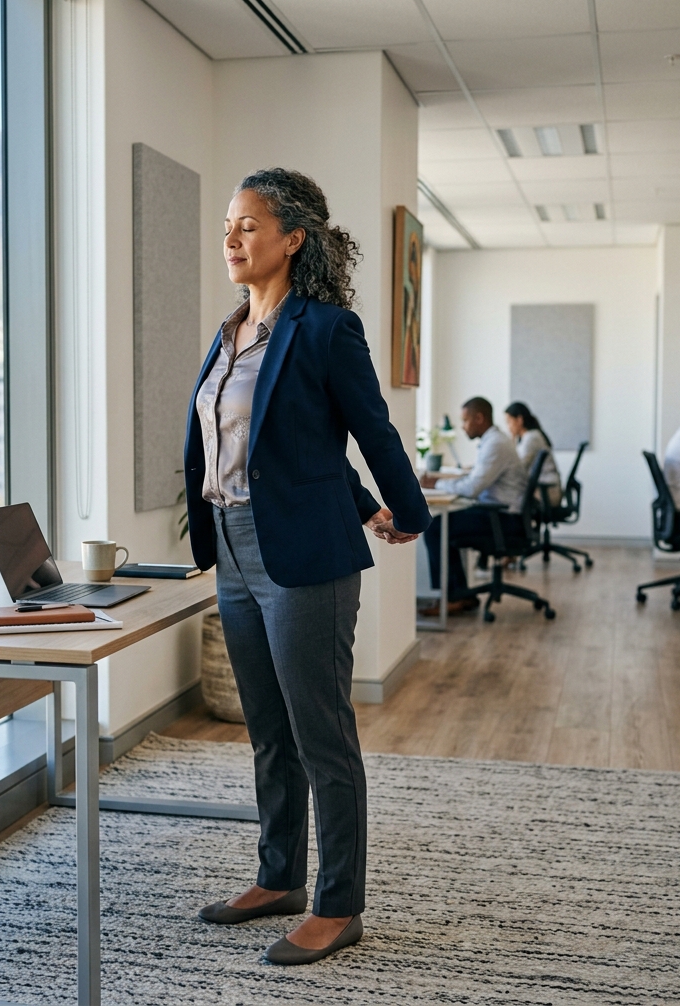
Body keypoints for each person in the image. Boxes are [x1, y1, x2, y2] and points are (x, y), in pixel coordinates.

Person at [184, 168, 430, 965]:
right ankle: (279, 877)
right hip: (230, 545)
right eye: (228, 225)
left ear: (292, 239)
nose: (231, 238)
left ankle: (338, 904)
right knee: (267, 728)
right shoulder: (230, 332)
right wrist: (360, 502)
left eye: (248, 225)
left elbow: (370, 430)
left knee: (321, 733)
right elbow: (293, 447)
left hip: (301, 556)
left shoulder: (326, 329)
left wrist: (407, 511)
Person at [419, 397, 528, 614]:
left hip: (503, 519)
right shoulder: (493, 440)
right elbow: (476, 479)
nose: (463, 426)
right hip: (500, 514)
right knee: (444, 524)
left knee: (435, 527)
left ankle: (452, 598)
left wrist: (436, 483)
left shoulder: (495, 444)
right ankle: (460, 595)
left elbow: (472, 489)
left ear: (479, 418)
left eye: (466, 420)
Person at [504, 401, 562, 506]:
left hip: (546, 493)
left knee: (504, 498)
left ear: (519, 420)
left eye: (509, 422)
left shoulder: (531, 438)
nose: (508, 427)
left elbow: (518, 468)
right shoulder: (529, 437)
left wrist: (511, 442)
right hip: (544, 490)